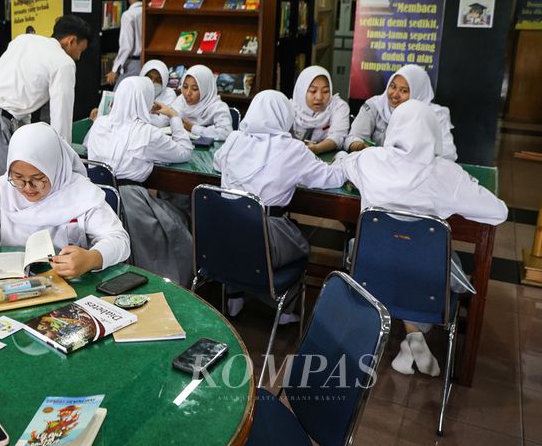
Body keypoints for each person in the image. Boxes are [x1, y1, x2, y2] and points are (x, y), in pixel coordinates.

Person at [336, 100, 507, 376]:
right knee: (425, 260)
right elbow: (498, 213)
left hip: (371, 277)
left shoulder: (369, 161)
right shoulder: (447, 174)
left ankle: (411, 336)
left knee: (394, 256)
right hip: (427, 287)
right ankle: (415, 334)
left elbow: (343, 163)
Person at [212, 90, 346, 320]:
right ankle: (281, 306)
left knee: (242, 237)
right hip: (266, 238)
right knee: (302, 246)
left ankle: (234, 294)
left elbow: (217, 164)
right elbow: (330, 178)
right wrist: (343, 160)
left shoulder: (235, 139)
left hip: (224, 240)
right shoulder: (292, 149)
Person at [0, 123, 130, 280]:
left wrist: (92, 258)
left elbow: (118, 240)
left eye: (38, 178)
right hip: (10, 283)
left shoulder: (81, 194)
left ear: (55, 169)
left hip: (71, 284)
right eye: (18, 177)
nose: (27, 187)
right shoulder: (2, 190)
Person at [0, 15, 93, 204]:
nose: (79, 56)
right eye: (80, 50)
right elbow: (61, 119)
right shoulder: (64, 62)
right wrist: (63, 165)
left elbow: (18, 89)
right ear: (71, 40)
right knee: (3, 201)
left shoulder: (24, 40)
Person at [84, 77, 195, 285]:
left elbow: (86, 145)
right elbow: (184, 152)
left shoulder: (101, 123)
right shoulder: (147, 133)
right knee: (178, 224)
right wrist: (173, 116)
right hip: (131, 202)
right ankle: (173, 281)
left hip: (96, 197)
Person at [346, 63, 457, 160]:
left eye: (404, 91)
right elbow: (352, 138)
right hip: (379, 166)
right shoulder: (375, 105)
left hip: (416, 171)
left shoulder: (434, 114)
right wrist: (360, 147)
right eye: (393, 86)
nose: (395, 95)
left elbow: (448, 153)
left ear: (417, 93)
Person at [159, 64, 232, 141]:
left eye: (194, 89)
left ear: (205, 89)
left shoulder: (218, 107)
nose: (188, 93)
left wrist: (193, 128)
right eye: (185, 87)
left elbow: (226, 133)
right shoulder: (180, 101)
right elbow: (165, 122)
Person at [290, 65, 350, 154]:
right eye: (313, 91)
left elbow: (338, 136)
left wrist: (316, 149)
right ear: (301, 91)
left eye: (326, 91)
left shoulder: (338, 106)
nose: (319, 97)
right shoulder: (288, 108)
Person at [105, 0, 143, 88]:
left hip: (133, 63)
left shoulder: (128, 15)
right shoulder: (148, 12)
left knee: (117, 97)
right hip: (146, 61)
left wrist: (114, 70)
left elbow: (126, 46)